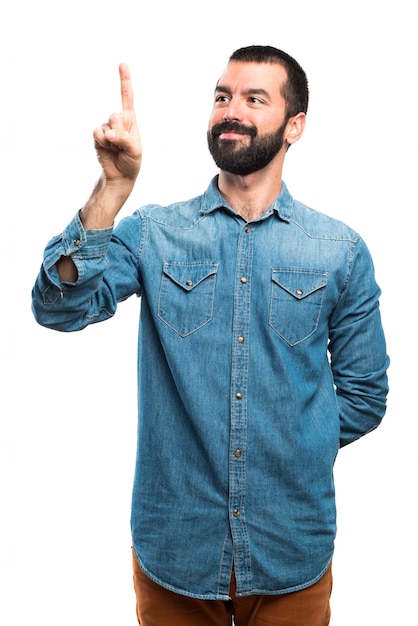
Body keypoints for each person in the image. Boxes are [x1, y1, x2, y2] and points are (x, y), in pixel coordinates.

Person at [31, 45, 389, 625]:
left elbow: (365, 395)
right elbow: (59, 306)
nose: (232, 111)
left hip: (292, 546)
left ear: (294, 126)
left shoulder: (339, 251)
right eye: (222, 96)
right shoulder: (154, 233)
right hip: (174, 548)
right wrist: (112, 190)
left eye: (254, 99)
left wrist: (293, 450)